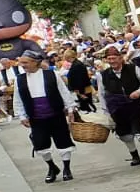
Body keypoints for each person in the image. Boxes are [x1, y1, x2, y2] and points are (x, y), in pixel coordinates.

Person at [13, 49, 76, 183]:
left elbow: (63, 92)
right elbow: (17, 99)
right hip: (36, 117)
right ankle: (52, 167)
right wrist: (21, 116)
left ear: (35, 62)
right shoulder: (19, 79)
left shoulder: (51, 74)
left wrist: (70, 108)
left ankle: (66, 168)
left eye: (26, 62)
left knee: (63, 141)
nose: (23, 65)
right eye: (21, 63)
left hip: (56, 114)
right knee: (40, 144)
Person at [99, 45, 140, 167]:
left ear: (120, 58)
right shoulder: (103, 75)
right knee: (124, 132)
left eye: (114, 58)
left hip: (133, 105)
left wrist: (138, 92)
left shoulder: (133, 68)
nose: (112, 61)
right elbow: (102, 94)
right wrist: (106, 112)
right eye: (109, 59)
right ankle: (134, 156)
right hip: (116, 107)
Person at [65, 48, 95, 113]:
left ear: (69, 57)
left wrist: (81, 92)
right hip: (81, 88)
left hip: (82, 88)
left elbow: (80, 79)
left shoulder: (77, 65)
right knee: (85, 104)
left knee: (87, 106)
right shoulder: (76, 64)